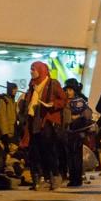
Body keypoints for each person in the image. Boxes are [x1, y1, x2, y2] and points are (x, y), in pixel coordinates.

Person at [24, 61, 67, 191]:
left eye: (34, 69)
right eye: (31, 69)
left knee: (49, 151)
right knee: (35, 152)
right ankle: (39, 179)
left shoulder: (52, 84)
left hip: (47, 122)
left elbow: (63, 100)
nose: (31, 72)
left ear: (41, 70)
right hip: (34, 122)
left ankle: (54, 177)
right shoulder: (32, 86)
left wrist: (52, 104)